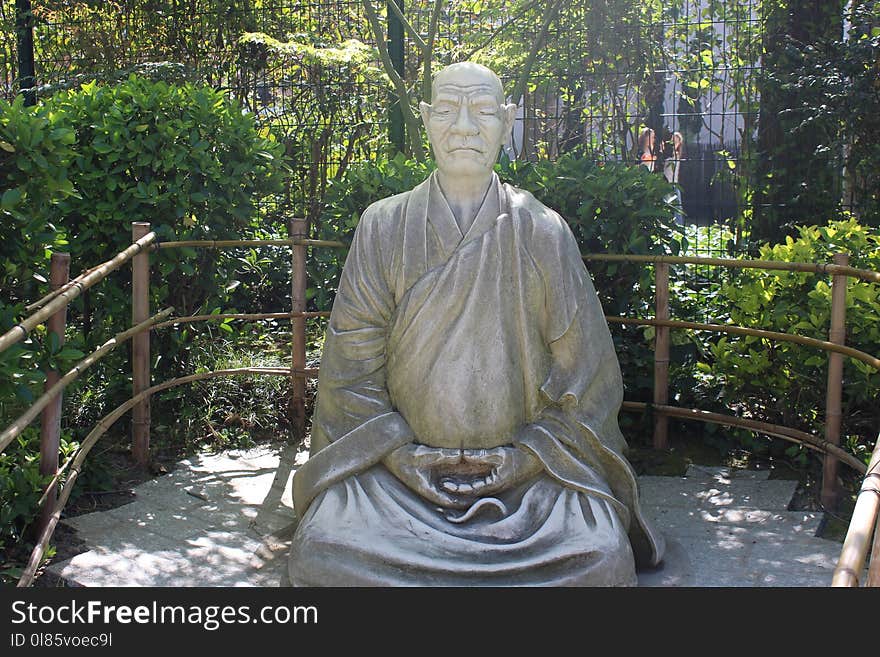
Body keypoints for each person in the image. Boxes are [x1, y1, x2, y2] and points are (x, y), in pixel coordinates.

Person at [288, 62, 664, 586]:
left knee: (599, 559)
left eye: (483, 110)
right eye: (447, 110)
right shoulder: (383, 225)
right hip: (397, 477)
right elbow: (349, 372)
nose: (464, 126)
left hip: (527, 483)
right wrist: (398, 454)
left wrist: (529, 458)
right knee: (323, 553)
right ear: (425, 119)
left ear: (507, 120)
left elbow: (587, 376)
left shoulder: (541, 230)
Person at [663, 131, 684, 225]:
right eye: (673, 139)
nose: (674, 141)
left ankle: (678, 224)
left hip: (673, 183)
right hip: (666, 183)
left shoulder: (676, 155)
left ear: (679, 142)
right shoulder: (666, 153)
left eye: (677, 140)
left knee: (677, 207)